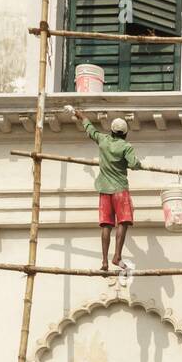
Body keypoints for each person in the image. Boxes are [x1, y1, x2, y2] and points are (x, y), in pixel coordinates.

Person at [67, 106, 141, 275]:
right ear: (125, 133)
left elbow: (90, 128)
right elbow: (132, 163)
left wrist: (79, 114)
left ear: (112, 131)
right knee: (123, 221)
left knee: (106, 225)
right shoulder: (126, 146)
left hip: (104, 190)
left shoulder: (103, 140)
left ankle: (104, 261)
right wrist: (139, 164)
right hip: (120, 190)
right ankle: (117, 256)